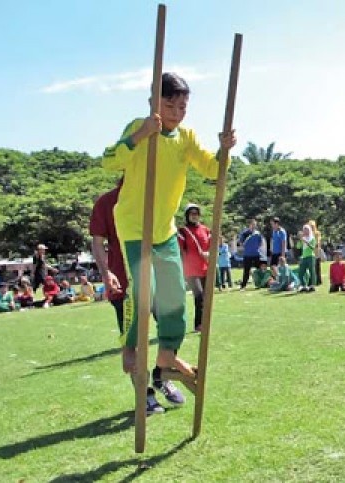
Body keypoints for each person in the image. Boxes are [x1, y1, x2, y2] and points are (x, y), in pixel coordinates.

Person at [101, 71, 236, 379]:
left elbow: (214, 170)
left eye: (182, 109)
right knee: (144, 292)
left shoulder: (186, 138)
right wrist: (141, 135)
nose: (176, 114)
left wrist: (224, 149)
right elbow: (109, 160)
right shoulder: (140, 127)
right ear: (153, 102)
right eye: (170, 107)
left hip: (164, 230)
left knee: (175, 295)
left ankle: (166, 360)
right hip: (135, 227)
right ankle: (130, 349)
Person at [90, 179, 181, 414]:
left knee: (170, 326)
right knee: (134, 340)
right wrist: (105, 271)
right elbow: (98, 242)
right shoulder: (107, 202)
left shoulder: (153, 196)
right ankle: (145, 393)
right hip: (124, 282)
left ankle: (162, 375)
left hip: (157, 277)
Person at [178, 203, 212, 332]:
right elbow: (179, 250)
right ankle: (199, 325)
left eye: (196, 213)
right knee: (199, 296)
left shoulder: (206, 230)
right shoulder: (183, 231)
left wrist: (209, 253)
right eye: (191, 213)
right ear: (187, 216)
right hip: (191, 270)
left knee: (207, 296)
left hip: (205, 267)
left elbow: (212, 246)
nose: (194, 216)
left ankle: (205, 323)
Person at [238, 219, 264, 289]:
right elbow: (240, 243)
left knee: (258, 270)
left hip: (256, 254)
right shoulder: (244, 233)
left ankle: (260, 283)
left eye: (255, 224)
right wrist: (245, 246)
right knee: (246, 270)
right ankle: (243, 285)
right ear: (249, 225)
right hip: (247, 255)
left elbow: (260, 243)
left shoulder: (258, 233)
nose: (253, 226)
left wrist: (256, 248)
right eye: (252, 224)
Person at [297, 224, 317, 292]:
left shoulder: (312, 238)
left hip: (311, 256)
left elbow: (313, 247)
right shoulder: (303, 238)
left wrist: (306, 242)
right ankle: (303, 285)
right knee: (300, 272)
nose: (305, 231)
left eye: (307, 230)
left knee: (312, 271)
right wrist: (300, 240)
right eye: (304, 230)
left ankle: (312, 285)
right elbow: (298, 246)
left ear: (309, 231)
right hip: (304, 257)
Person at [308, 220, 324, 285]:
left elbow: (318, 242)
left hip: (316, 252)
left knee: (317, 267)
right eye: (310, 226)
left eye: (312, 226)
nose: (311, 227)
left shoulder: (317, 233)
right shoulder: (308, 234)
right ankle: (310, 280)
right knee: (310, 268)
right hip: (310, 253)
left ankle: (318, 281)